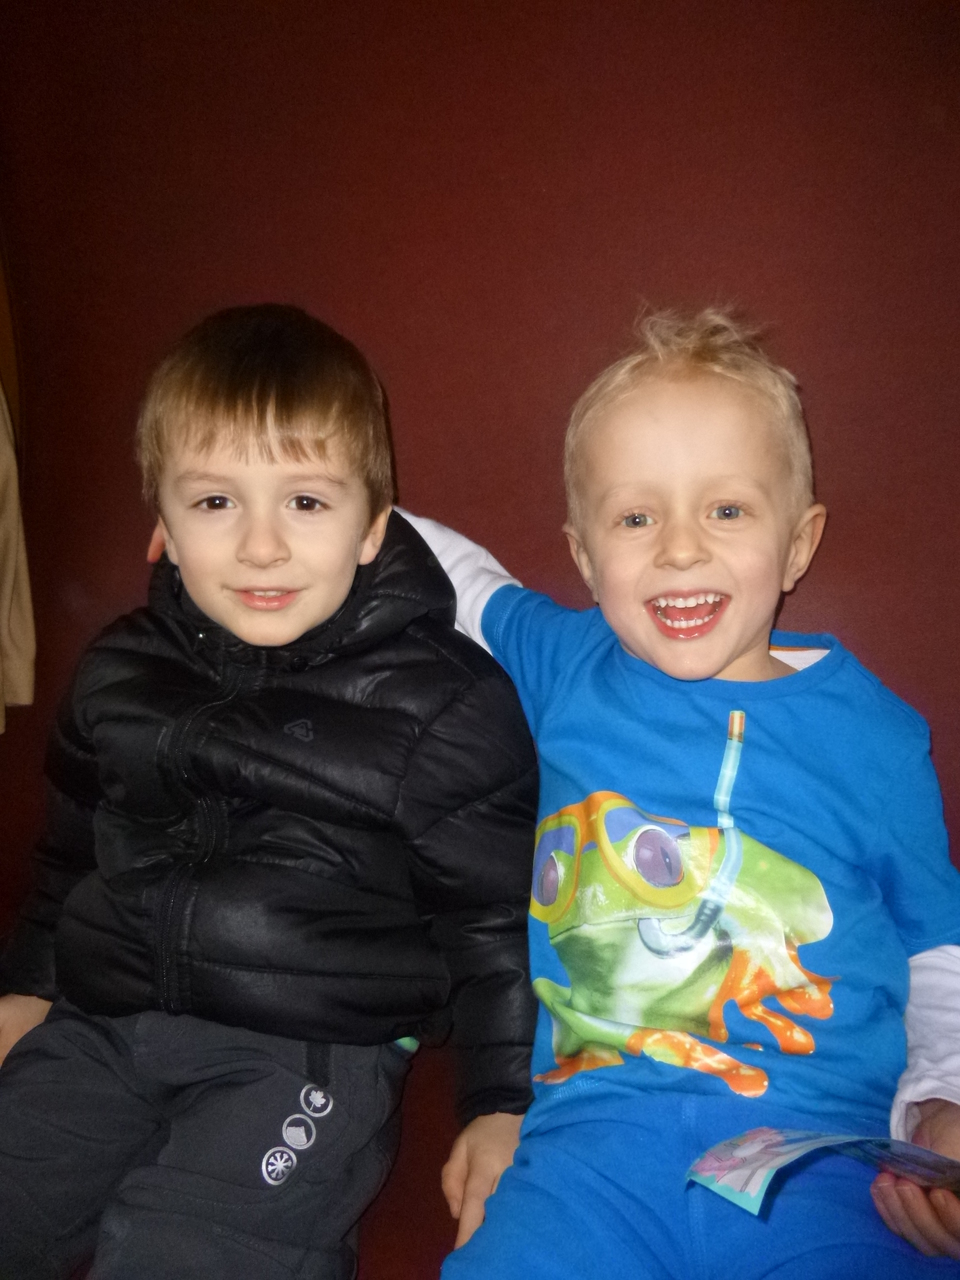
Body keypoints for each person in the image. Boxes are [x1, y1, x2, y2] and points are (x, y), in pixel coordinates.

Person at [404, 309, 960, 1278]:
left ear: (799, 543)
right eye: (636, 517)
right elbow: (458, 577)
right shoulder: (570, 662)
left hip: (823, 1160)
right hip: (589, 1152)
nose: (679, 549)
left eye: (727, 510)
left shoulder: (879, 735)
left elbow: (937, 950)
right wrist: (284, 505)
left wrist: (944, 1103)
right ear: (585, 557)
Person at [0, 304, 538, 1280]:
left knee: (178, 1252)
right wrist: (27, 986)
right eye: (215, 501)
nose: (260, 547)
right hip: (103, 1026)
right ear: (164, 527)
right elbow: (69, 849)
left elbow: (496, 922)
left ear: (373, 528)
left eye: (306, 502)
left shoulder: (444, 703)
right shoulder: (120, 670)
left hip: (308, 1052)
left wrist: (500, 1102)